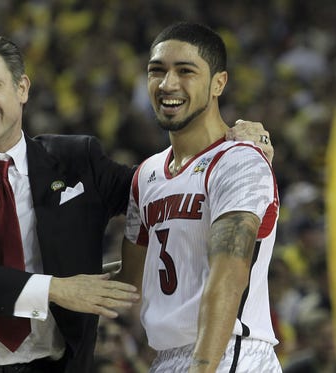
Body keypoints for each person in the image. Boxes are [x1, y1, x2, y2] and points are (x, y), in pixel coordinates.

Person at [0, 32, 274, 372]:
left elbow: (168, 184)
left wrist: (235, 142)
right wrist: (55, 288)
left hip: (50, 365)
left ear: (22, 89)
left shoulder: (77, 160)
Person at [116, 22, 281, 372]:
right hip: (168, 357)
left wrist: (202, 367)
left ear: (219, 82)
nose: (167, 84)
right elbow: (130, 283)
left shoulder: (239, 160)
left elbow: (229, 276)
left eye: (185, 71)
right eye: (156, 71)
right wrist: (48, 287)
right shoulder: (145, 174)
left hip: (228, 351)